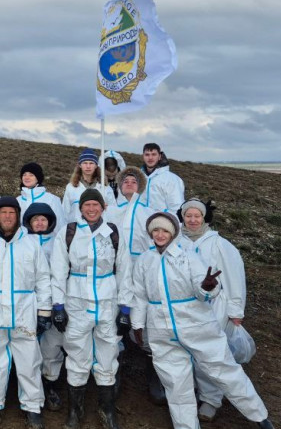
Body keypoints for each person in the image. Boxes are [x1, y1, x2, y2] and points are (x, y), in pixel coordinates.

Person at [130, 213, 275, 429]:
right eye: (156, 231)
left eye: (165, 230)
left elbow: (204, 287)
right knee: (175, 383)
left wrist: (208, 286)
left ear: (173, 233)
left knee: (224, 370)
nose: (160, 235)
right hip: (162, 330)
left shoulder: (188, 256)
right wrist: (138, 324)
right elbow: (140, 295)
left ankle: (260, 417)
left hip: (196, 326)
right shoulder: (145, 260)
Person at [49, 190, 128, 429]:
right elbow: (59, 269)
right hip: (77, 301)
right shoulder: (69, 232)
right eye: (87, 205)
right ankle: (76, 411)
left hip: (107, 301)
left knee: (107, 352)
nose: (91, 209)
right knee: (76, 354)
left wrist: (125, 308)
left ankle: (107, 410)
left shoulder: (113, 232)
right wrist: (58, 305)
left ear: (103, 207)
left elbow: (125, 270)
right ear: (81, 207)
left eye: (95, 205)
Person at [0, 196, 52, 429]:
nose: (7, 217)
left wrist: (44, 312)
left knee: (29, 360)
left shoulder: (31, 244)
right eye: (3, 212)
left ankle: (33, 406)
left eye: (12, 213)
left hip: (24, 309)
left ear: (18, 216)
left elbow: (42, 279)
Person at [177, 199, 248, 422]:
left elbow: (234, 277)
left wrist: (236, 311)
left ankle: (211, 398)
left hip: (213, 308)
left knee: (210, 354)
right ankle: (189, 393)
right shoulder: (176, 241)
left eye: (197, 216)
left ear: (204, 218)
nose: (192, 220)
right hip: (184, 307)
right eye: (188, 216)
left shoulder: (219, 245)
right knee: (184, 353)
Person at [105, 166, 162, 403]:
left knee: (149, 320)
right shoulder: (111, 211)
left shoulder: (150, 213)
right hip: (116, 273)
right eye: (125, 180)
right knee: (112, 319)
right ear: (119, 185)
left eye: (133, 180)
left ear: (140, 186)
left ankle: (156, 376)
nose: (129, 182)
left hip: (143, 272)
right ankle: (113, 373)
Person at [22, 202, 65, 413]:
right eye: (35, 220)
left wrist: (57, 305)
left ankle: (50, 385)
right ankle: (27, 387)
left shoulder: (58, 242)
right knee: (27, 346)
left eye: (43, 219)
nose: (39, 223)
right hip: (27, 302)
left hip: (52, 301)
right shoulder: (22, 242)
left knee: (51, 346)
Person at [62, 148, 116, 220]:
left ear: (96, 165)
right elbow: (65, 212)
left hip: (100, 228)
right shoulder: (71, 187)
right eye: (85, 163)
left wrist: (108, 209)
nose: (88, 166)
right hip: (77, 228)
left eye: (91, 163)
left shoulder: (105, 188)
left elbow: (114, 212)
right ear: (80, 165)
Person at [17, 162, 65, 240]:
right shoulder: (18, 200)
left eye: (31, 175)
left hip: (48, 247)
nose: (26, 177)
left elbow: (60, 226)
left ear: (38, 178)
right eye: (24, 175)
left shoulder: (52, 199)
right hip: (25, 247)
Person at [140, 143, 185, 212]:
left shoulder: (171, 179)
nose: (150, 158)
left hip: (161, 221)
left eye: (154, 154)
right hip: (140, 221)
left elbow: (177, 207)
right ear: (143, 156)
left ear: (160, 156)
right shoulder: (138, 178)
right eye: (147, 154)